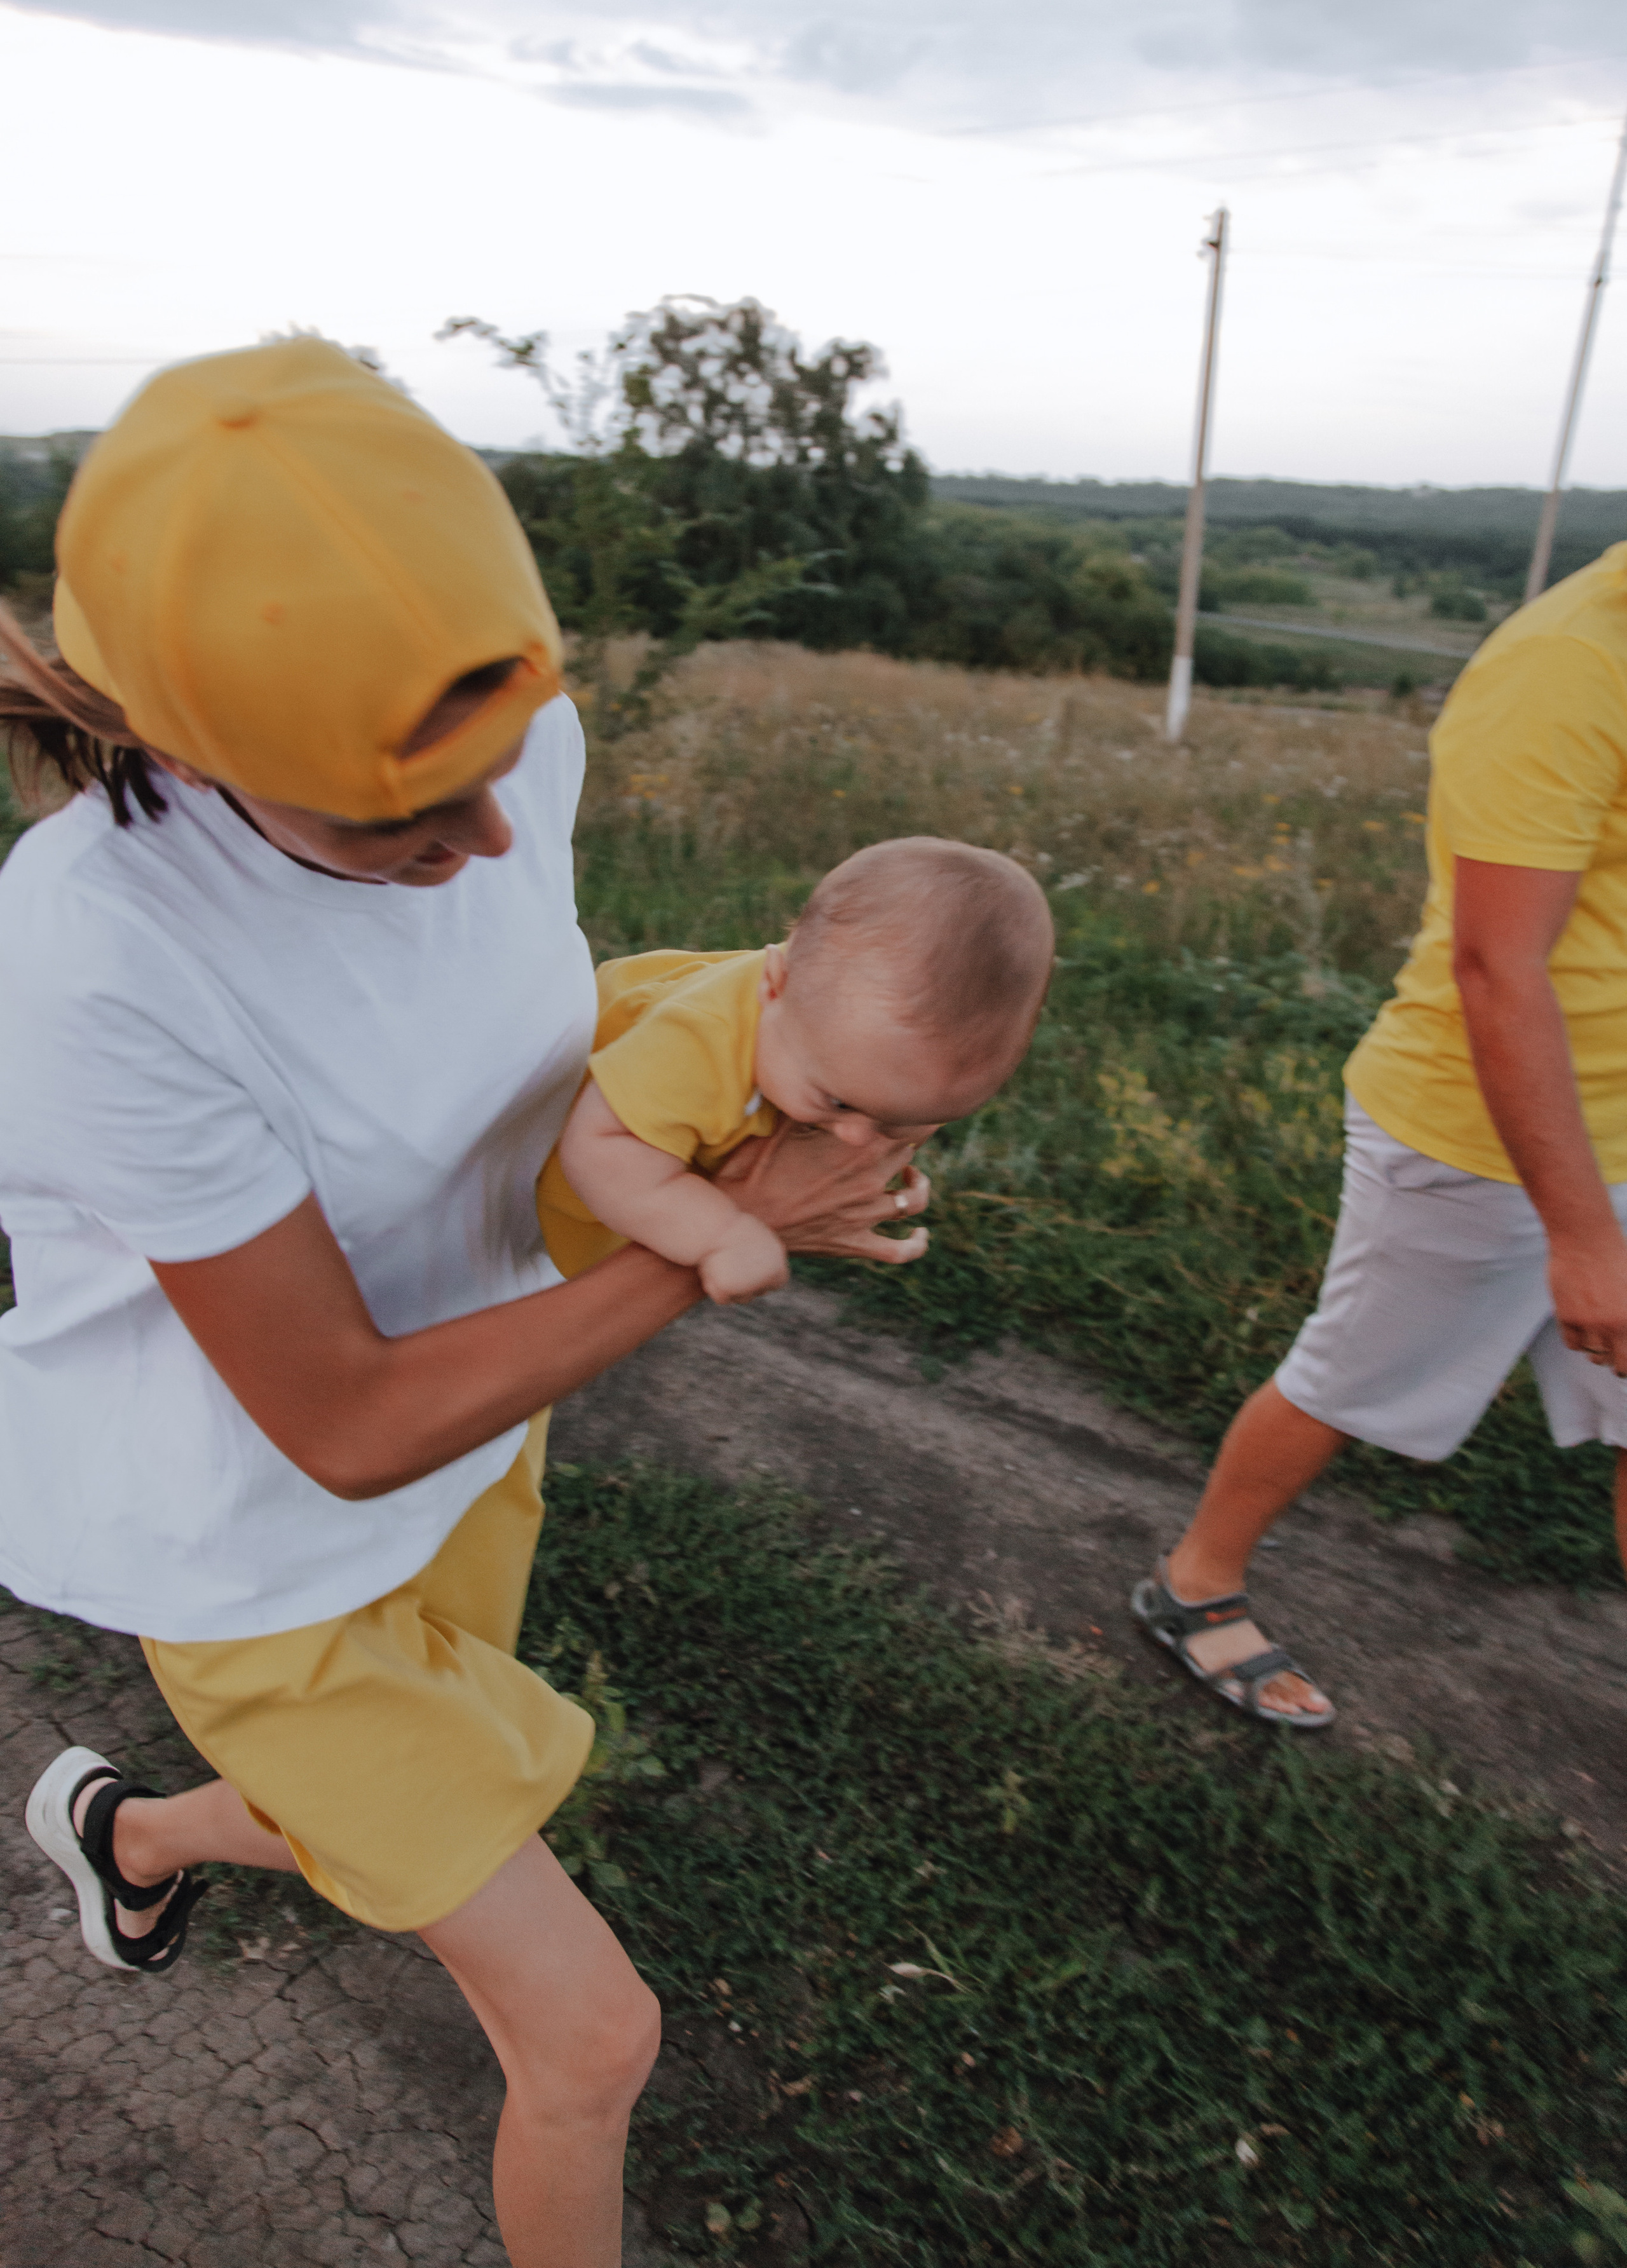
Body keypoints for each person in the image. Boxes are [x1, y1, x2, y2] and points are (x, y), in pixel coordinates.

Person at [4, 336, 933, 2268]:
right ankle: (163, 1821)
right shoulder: (96, 955)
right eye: (399, 827)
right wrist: (711, 1231)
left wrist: (783, 1031)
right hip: (262, 1550)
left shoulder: (512, 749)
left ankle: (135, 1836)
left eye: (503, 770)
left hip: (473, 1450)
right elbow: (336, 1414)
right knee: (592, 2037)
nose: (493, 844)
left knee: (384, 1814)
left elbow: (516, 1042)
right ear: (194, 748)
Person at [1133, 542, 1627, 1727]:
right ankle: (1193, 1581)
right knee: (1350, 1378)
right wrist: (1580, 1230)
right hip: (1484, 1130)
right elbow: (1494, 967)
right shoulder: (1570, 663)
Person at [538, 838, 1054, 1300]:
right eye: (839, 1102)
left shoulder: (828, 1034)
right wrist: (723, 1235)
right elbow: (602, 1147)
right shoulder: (699, 1041)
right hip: (537, 1203)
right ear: (774, 986)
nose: (856, 1139)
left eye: (899, 1118)